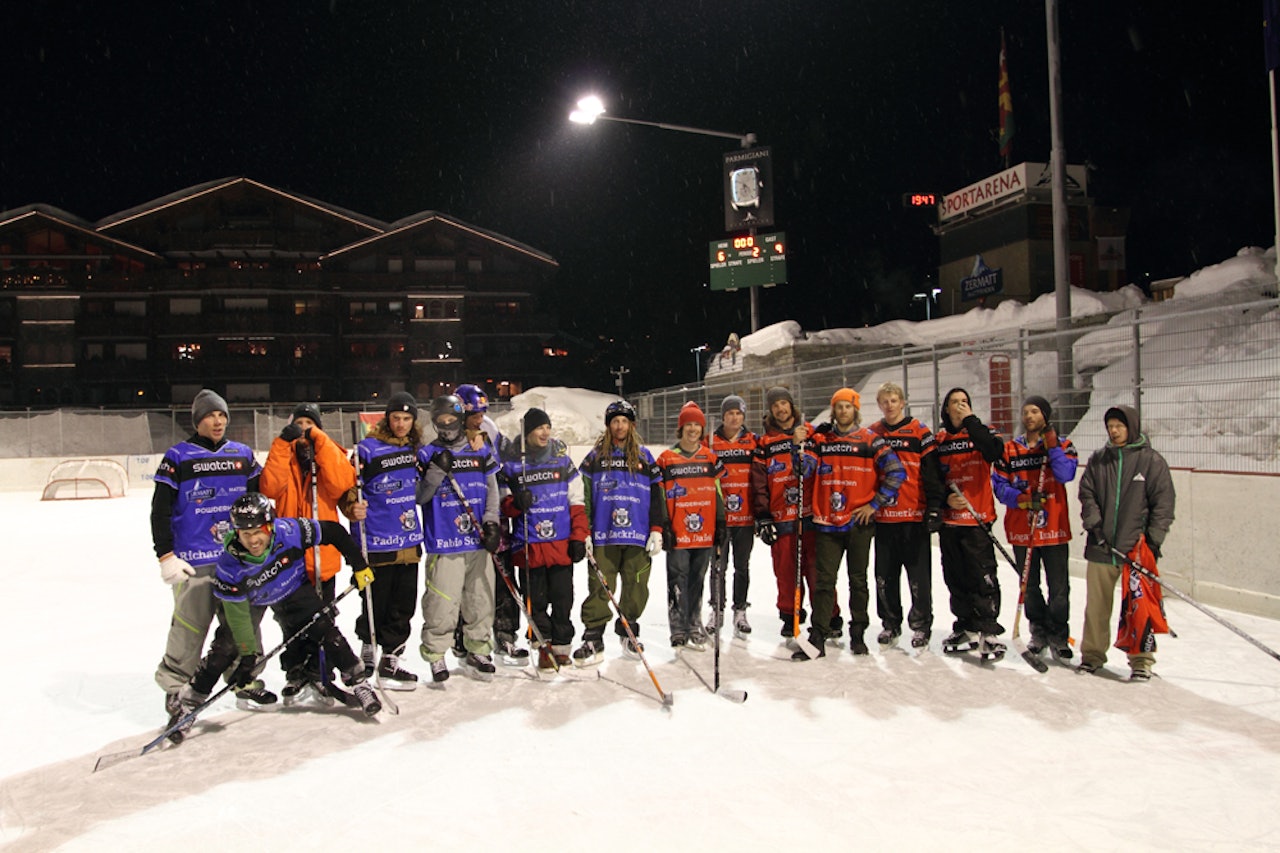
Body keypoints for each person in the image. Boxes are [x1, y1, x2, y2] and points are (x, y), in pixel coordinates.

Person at [172, 493, 380, 733]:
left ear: (270, 526)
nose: (253, 540)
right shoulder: (229, 567)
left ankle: (359, 682)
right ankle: (189, 703)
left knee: (324, 627)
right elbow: (238, 619)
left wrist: (359, 565)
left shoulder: (290, 530)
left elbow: (334, 532)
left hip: (292, 588)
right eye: (246, 534)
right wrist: (248, 658)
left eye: (258, 531)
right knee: (225, 648)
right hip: (254, 600)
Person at [152, 389, 268, 734]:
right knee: (190, 627)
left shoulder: (242, 455)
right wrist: (166, 555)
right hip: (195, 561)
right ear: (197, 420)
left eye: (221, 415)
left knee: (242, 624)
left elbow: (262, 496)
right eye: (209, 416)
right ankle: (176, 688)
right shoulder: (178, 457)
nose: (217, 421)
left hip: (236, 558)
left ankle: (244, 679)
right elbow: (160, 510)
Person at [796, 388, 905, 660]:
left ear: (855, 410)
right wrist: (798, 443)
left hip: (859, 523)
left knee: (858, 582)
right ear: (833, 411)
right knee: (824, 582)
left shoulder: (871, 440)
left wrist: (875, 504)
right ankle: (818, 636)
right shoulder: (820, 439)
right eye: (839, 407)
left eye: (848, 406)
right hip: (826, 522)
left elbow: (896, 472)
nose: (843, 411)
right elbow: (804, 470)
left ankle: (858, 633)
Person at [259, 402, 357, 697]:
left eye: (309, 424)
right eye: (298, 424)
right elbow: (269, 489)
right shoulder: (283, 458)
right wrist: (281, 444)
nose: (303, 430)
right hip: (290, 557)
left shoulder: (330, 457)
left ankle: (321, 668)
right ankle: (296, 670)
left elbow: (342, 483)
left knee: (323, 617)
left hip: (322, 555)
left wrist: (321, 441)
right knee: (291, 620)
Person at [1076, 404, 1176, 681]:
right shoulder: (1099, 460)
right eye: (1110, 427)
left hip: (1136, 550)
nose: (1114, 431)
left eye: (1119, 426)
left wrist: (1152, 541)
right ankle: (1092, 655)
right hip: (1101, 545)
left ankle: (1141, 660)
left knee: (1139, 607)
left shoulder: (1151, 461)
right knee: (1096, 606)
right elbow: (1087, 494)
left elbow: (1163, 505)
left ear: (1131, 426)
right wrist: (1094, 524)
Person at [416, 394, 503, 682]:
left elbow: (492, 490)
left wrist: (492, 523)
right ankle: (436, 653)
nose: (447, 425)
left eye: (451, 419)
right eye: (441, 420)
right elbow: (420, 497)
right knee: (442, 601)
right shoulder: (427, 454)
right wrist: (435, 472)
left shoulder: (479, 450)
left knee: (480, 598)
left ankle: (478, 648)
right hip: (444, 540)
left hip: (476, 539)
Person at [342, 391, 425, 691]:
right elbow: (349, 489)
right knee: (375, 600)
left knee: (403, 603)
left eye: (407, 418)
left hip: (409, 539)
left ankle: (391, 657)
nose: (401, 424)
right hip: (378, 539)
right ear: (386, 420)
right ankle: (368, 646)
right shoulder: (367, 449)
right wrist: (352, 507)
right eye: (396, 418)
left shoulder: (416, 449)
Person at [574, 399, 666, 666]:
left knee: (636, 584)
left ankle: (629, 630)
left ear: (631, 425)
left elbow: (658, 496)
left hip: (638, 534)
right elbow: (585, 496)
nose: (619, 426)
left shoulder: (645, 457)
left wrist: (657, 529)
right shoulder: (595, 457)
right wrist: (586, 530)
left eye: (624, 421)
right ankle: (593, 636)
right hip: (604, 534)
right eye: (615, 421)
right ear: (608, 425)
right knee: (601, 585)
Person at [499, 407, 589, 672]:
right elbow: (504, 505)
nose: (545, 432)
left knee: (563, 599)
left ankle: (562, 648)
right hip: (530, 546)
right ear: (527, 433)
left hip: (560, 545)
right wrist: (517, 503)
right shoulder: (514, 465)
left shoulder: (562, 462)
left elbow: (577, 502)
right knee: (535, 601)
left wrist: (578, 537)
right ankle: (543, 646)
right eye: (539, 428)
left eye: (547, 427)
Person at [991, 395, 1079, 661]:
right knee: (1029, 586)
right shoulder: (1010, 450)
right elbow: (999, 485)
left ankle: (1059, 635)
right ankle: (1038, 631)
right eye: (1025, 412)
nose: (1029, 416)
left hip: (1053, 528)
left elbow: (1066, 474)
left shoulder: (1062, 444)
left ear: (1046, 416)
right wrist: (1022, 500)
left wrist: (1051, 446)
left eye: (1035, 411)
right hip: (1023, 529)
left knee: (1059, 588)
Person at [869, 382, 945, 651]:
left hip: (914, 517)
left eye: (894, 400)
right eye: (884, 401)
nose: (889, 405)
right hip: (884, 518)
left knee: (918, 577)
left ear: (902, 402)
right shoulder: (873, 433)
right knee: (885, 576)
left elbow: (932, 473)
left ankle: (921, 625)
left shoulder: (920, 432)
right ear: (879, 404)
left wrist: (935, 506)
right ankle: (890, 622)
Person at [455, 382, 527, 666]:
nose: (478, 418)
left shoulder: (490, 429)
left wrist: (513, 493)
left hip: (493, 516)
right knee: (469, 583)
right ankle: (464, 636)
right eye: (473, 413)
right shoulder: (449, 435)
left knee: (503, 575)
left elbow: (502, 468)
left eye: (481, 412)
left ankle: (506, 634)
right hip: (462, 521)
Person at [751, 386, 829, 641]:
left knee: (817, 570)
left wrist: (810, 440)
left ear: (791, 405)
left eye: (784, 404)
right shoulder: (765, 442)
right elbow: (759, 482)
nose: (780, 409)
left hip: (810, 515)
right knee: (786, 572)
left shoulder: (809, 434)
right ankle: (789, 614)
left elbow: (819, 467)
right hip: (782, 516)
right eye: (775, 406)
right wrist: (763, 515)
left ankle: (826, 616)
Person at [935, 387, 1007, 659]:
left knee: (982, 576)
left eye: (964, 401)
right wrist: (945, 499)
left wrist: (971, 422)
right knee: (955, 576)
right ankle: (964, 624)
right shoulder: (939, 439)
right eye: (954, 402)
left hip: (977, 519)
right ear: (946, 408)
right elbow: (930, 477)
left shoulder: (982, 431)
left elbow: (994, 452)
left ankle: (988, 628)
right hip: (951, 521)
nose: (960, 406)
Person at [657, 402, 726, 650]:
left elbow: (718, 491)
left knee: (697, 578)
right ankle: (678, 628)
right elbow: (661, 494)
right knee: (677, 578)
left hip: (705, 531)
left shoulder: (710, 457)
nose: (693, 429)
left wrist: (720, 521)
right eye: (689, 424)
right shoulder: (666, 459)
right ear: (681, 427)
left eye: (697, 424)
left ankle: (694, 623)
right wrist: (664, 523)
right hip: (678, 531)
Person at [705, 394, 758, 638]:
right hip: (720, 519)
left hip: (745, 519)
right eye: (730, 413)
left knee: (742, 567)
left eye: (738, 413)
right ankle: (716, 609)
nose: (734, 417)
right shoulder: (711, 443)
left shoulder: (753, 442)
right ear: (723, 416)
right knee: (717, 567)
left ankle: (740, 610)